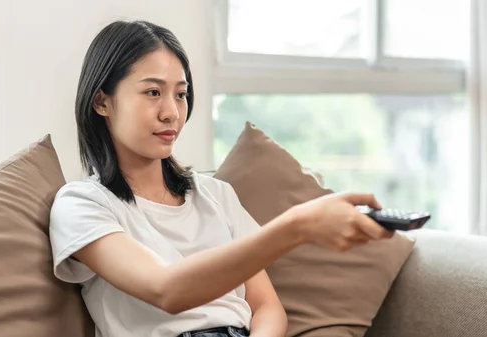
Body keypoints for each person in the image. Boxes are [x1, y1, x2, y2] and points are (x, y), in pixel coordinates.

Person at [49, 20, 393, 337]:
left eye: (181, 94)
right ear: (101, 102)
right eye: (153, 92)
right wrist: (298, 225)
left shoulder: (216, 195)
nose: (171, 112)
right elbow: (167, 290)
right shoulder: (81, 204)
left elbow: (267, 307)